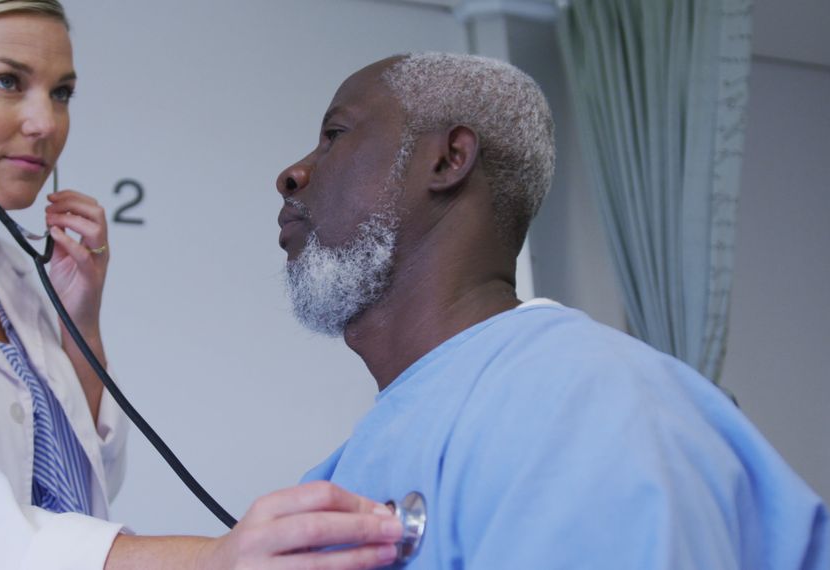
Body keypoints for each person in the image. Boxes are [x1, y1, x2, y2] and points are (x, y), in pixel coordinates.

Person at [0, 2, 403, 568]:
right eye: (8, 82)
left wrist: (80, 324)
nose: (45, 123)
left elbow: (83, 482)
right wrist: (211, 559)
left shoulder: (12, 277)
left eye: (61, 92)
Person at [275, 52, 829, 568]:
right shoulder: (352, 465)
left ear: (448, 159)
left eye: (334, 136)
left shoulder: (588, 400)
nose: (292, 174)